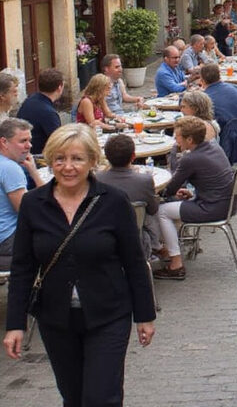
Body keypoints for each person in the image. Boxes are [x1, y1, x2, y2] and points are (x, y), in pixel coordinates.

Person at [3, 124, 156, 404]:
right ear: (50, 161)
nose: (68, 167)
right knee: (73, 397)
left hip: (109, 314)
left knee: (101, 397)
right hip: (56, 318)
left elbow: (134, 262)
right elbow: (23, 268)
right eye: (60, 159)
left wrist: (144, 315)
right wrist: (15, 324)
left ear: (92, 162)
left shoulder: (113, 201)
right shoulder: (34, 204)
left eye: (77, 159)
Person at [153, 116, 234, 280]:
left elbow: (169, 189)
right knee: (169, 206)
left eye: (177, 137)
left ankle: (175, 263)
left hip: (211, 209)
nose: (175, 141)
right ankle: (168, 250)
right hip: (225, 203)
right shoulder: (213, 147)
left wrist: (174, 153)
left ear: (189, 139)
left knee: (161, 211)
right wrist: (194, 194)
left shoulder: (191, 158)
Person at [95, 134, 159, 257]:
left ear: (106, 157)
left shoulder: (97, 179)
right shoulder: (144, 180)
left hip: (104, 234)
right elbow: (153, 209)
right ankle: (157, 246)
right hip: (135, 236)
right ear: (133, 156)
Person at [199, 63, 237, 184]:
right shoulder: (235, 88)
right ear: (219, 76)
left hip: (227, 136)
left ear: (202, 80)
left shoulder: (205, 98)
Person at [0, 119, 40, 269]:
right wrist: (35, 174)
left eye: (29, 140)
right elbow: (26, 212)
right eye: (23, 141)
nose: (29, 145)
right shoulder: (10, 168)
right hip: (7, 238)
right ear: (4, 142)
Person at [17, 69, 64, 157]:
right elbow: (59, 142)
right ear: (59, 87)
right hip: (37, 158)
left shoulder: (30, 100)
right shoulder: (49, 113)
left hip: (22, 152)